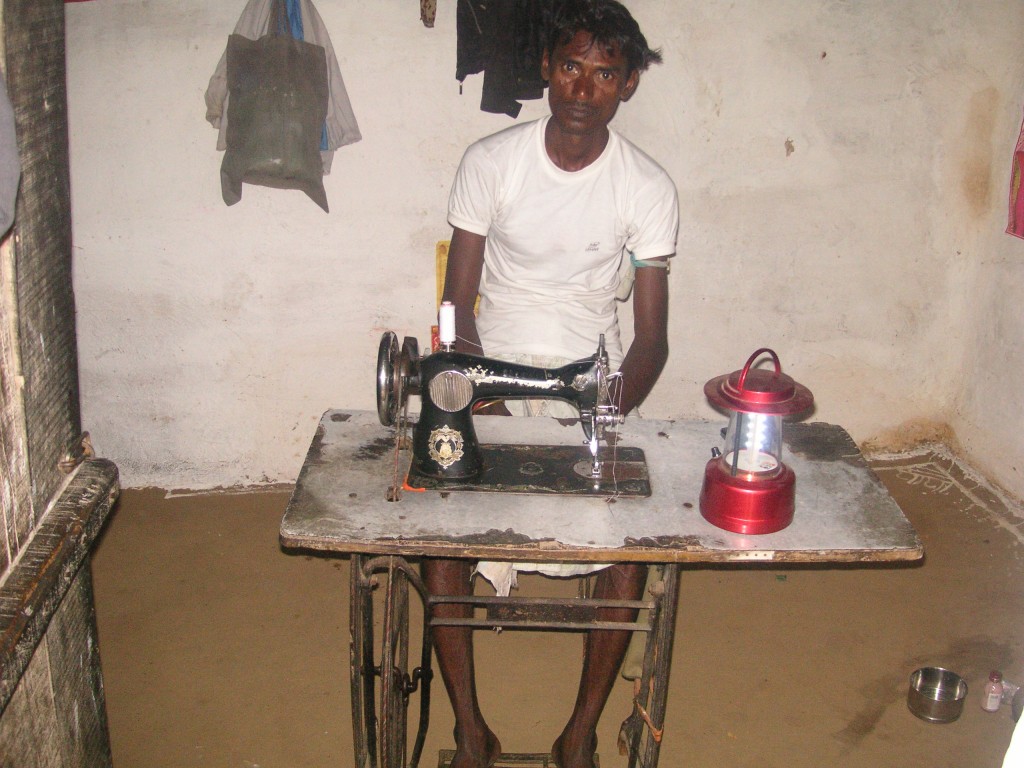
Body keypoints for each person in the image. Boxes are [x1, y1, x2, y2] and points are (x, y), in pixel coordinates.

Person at [423, 2, 678, 767]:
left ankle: (579, 734)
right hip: (492, 366)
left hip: (585, 377)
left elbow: (652, 340)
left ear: (628, 85)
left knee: (627, 552)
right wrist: (479, 392)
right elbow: (455, 305)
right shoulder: (490, 162)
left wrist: (608, 406)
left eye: (605, 73)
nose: (583, 88)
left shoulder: (646, 187)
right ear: (545, 67)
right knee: (439, 540)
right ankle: (470, 729)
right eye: (571, 66)